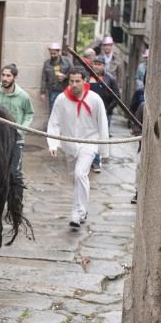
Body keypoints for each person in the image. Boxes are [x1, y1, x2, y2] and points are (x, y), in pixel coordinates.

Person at [47, 66, 109, 229]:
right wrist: (53, 144)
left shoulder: (95, 99)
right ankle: (83, 209)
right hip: (69, 145)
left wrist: (104, 151)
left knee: (80, 174)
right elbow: (54, 122)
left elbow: (103, 124)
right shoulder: (61, 99)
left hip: (89, 143)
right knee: (76, 178)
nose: (73, 85)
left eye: (77, 81)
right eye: (71, 81)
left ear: (85, 81)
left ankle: (78, 212)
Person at [0, 63, 34, 176]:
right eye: (3, 75)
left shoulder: (23, 96)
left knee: (15, 172)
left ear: (15, 78)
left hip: (16, 139)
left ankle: (16, 194)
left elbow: (29, 113)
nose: (5, 78)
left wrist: (21, 130)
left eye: (8, 76)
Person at [87, 57, 120, 173]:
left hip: (105, 113)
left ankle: (96, 162)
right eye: (95, 64)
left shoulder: (110, 79)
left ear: (104, 66)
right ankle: (87, 159)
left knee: (100, 137)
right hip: (88, 112)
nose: (97, 66)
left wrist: (107, 109)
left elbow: (117, 97)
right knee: (88, 135)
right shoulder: (87, 77)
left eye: (99, 64)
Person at [40, 42, 73, 113]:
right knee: (53, 110)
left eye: (54, 53)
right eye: (51, 53)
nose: (52, 55)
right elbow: (44, 78)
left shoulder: (67, 61)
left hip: (65, 90)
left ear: (58, 52)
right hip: (53, 90)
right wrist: (43, 92)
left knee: (65, 110)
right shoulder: (47, 63)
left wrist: (65, 77)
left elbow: (73, 72)